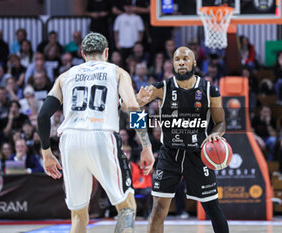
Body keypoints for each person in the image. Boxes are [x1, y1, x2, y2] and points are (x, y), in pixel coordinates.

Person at [37, 32, 154, 233]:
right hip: (101, 135)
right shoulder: (117, 72)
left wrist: (46, 153)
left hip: (70, 140)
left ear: (82, 53)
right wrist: (146, 146)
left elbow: (42, 116)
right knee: (126, 207)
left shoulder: (65, 76)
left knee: (79, 215)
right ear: (106, 52)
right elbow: (132, 108)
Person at [137, 46, 228, 233]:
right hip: (169, 154)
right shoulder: (161, 88)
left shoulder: (209, 90)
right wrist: (136, 102)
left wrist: (215, 135)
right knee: (158, 210)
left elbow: (220, 123)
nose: (181, 62)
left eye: (186, 59)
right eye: (177, 59)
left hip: (198, 154)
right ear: (173, 64)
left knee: (212, 208)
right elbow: (128, 108)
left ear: (194, 62)